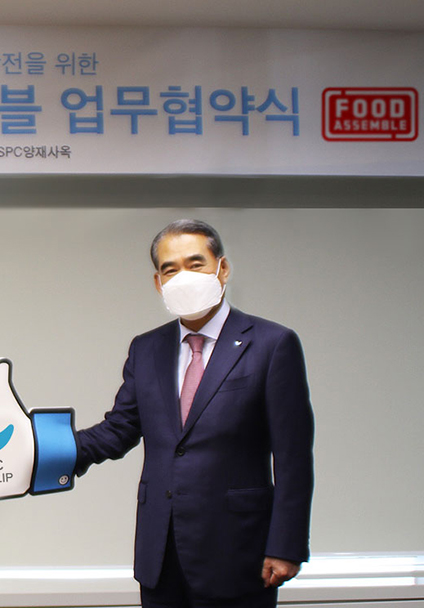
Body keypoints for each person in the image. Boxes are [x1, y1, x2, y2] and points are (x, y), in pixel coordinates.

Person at [75, 219, 314, 608]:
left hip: (240, 553)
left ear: (223, 268)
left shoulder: (273, 344)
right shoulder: (147, 348)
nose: (183, 276)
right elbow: (117, 430)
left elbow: (294, 457)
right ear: (158, 283)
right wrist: (40, 448)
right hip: (160, 553)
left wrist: (286, 545)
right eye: (170, 269)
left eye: (195, 263)